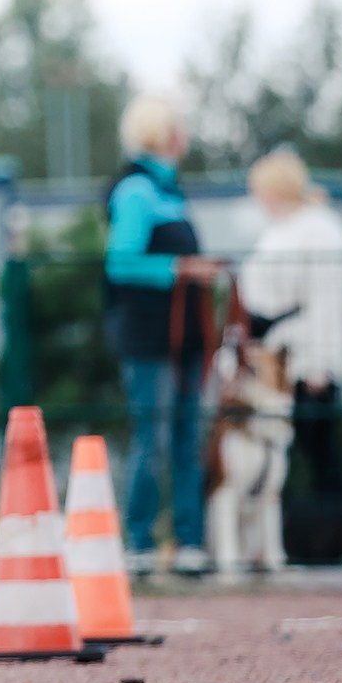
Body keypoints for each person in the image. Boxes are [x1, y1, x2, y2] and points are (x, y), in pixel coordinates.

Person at [103, 94, 223, 576]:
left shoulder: (170, 190)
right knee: (152, 440)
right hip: (150, 338)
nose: (186, 137)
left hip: (186, 337)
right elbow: (121, 262)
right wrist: (182, 268)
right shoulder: (136, 190)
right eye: (179, 128)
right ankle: (140, 544)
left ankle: (190, 542)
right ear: (163, 134)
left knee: (187, 438)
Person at [237, 146, 342, 498]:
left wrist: (319, 365)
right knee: (290, 449)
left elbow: (326, 301)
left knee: (318, 449)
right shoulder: (282, 229)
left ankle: (334, 531)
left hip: (305, 359)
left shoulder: (320, 230)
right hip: (274, 357)